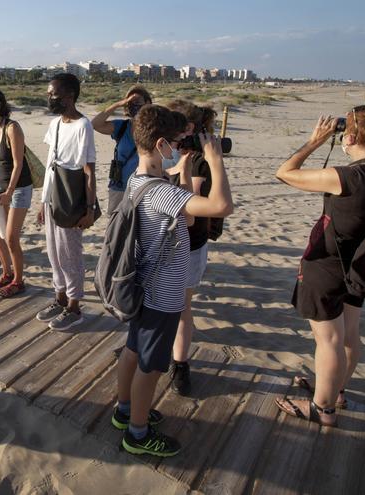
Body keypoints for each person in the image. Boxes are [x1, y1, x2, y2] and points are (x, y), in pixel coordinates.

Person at [274, 105, 365, 427]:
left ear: (350, 136)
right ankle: (336, 390)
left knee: (329, 341)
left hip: (328, 268)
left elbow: (285, 172)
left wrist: (315, 141)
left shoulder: (347, 177)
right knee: (349, 336)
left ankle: (323, 409)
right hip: (361, 265)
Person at [113, 104, 233, 457]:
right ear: (163, 144)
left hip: (142, 287)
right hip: (162, 296)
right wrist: (214, 159)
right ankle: (136, 433)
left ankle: (125, 411)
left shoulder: (140, 180)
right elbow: (221, 206)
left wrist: (180, 168)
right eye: (178, 143)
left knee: (133, 351)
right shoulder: (162, 193)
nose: (182, 149)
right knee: (150, 367)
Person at [163, 100, 219, 395]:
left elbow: (188, 211)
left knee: (182, 308)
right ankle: (159, 350)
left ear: (187, 129)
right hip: (165, 241)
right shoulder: (172, 153)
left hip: (189, 244)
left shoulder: (198, 160)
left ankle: (180, 364)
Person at [35, 73, 96, 330]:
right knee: (53, 253)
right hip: (52, 198)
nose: (50, 98)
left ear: (70, 95)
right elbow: (51, 165)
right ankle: (59, 299)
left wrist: (90, 208)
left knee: (70, 255)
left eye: (54, 94)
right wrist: (42, 201)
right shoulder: (56, 124)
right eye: (49, 94)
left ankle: (74, 306)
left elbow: (89, 170)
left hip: (71, 200)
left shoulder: (84, 126)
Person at [0, 88, 32, 297]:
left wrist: (10, 191)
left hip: (18, 188)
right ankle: (7, 272)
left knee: (11, 237)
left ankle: (19, 281)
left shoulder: (12, 128)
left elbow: (18, 163)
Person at [92, 85, 153, 212]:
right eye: (130, 102)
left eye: (137, 102)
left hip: (144, 187)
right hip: (119, 186)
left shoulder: (155, 129)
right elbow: (95, 124)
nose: (134, 105)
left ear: (147, 103)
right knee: (117, 226)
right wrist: (118, 104)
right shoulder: (122, 126)